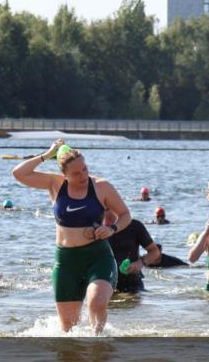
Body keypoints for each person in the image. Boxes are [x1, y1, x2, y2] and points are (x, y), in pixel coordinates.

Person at [12, 140, 131, 333]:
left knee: (96, 302)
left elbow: (125, 215)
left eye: (85, 169)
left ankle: (98, 346)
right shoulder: (55, 184)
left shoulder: (101, 187)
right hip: (66, 262)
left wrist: (112, 229)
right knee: (68, 329)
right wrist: (47, 154)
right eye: (76, 173)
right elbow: (18, 173)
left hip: (97, 257)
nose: (83, 175)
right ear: (64, 174)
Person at [101, 210, 161, 294]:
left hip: (133, 283)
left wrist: (140, 263)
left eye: (110, 218)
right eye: (103, 212)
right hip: (105, 283)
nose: (106, 221)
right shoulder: (95, 228)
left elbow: (154, 251)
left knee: (129, 298)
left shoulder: (134, 226)